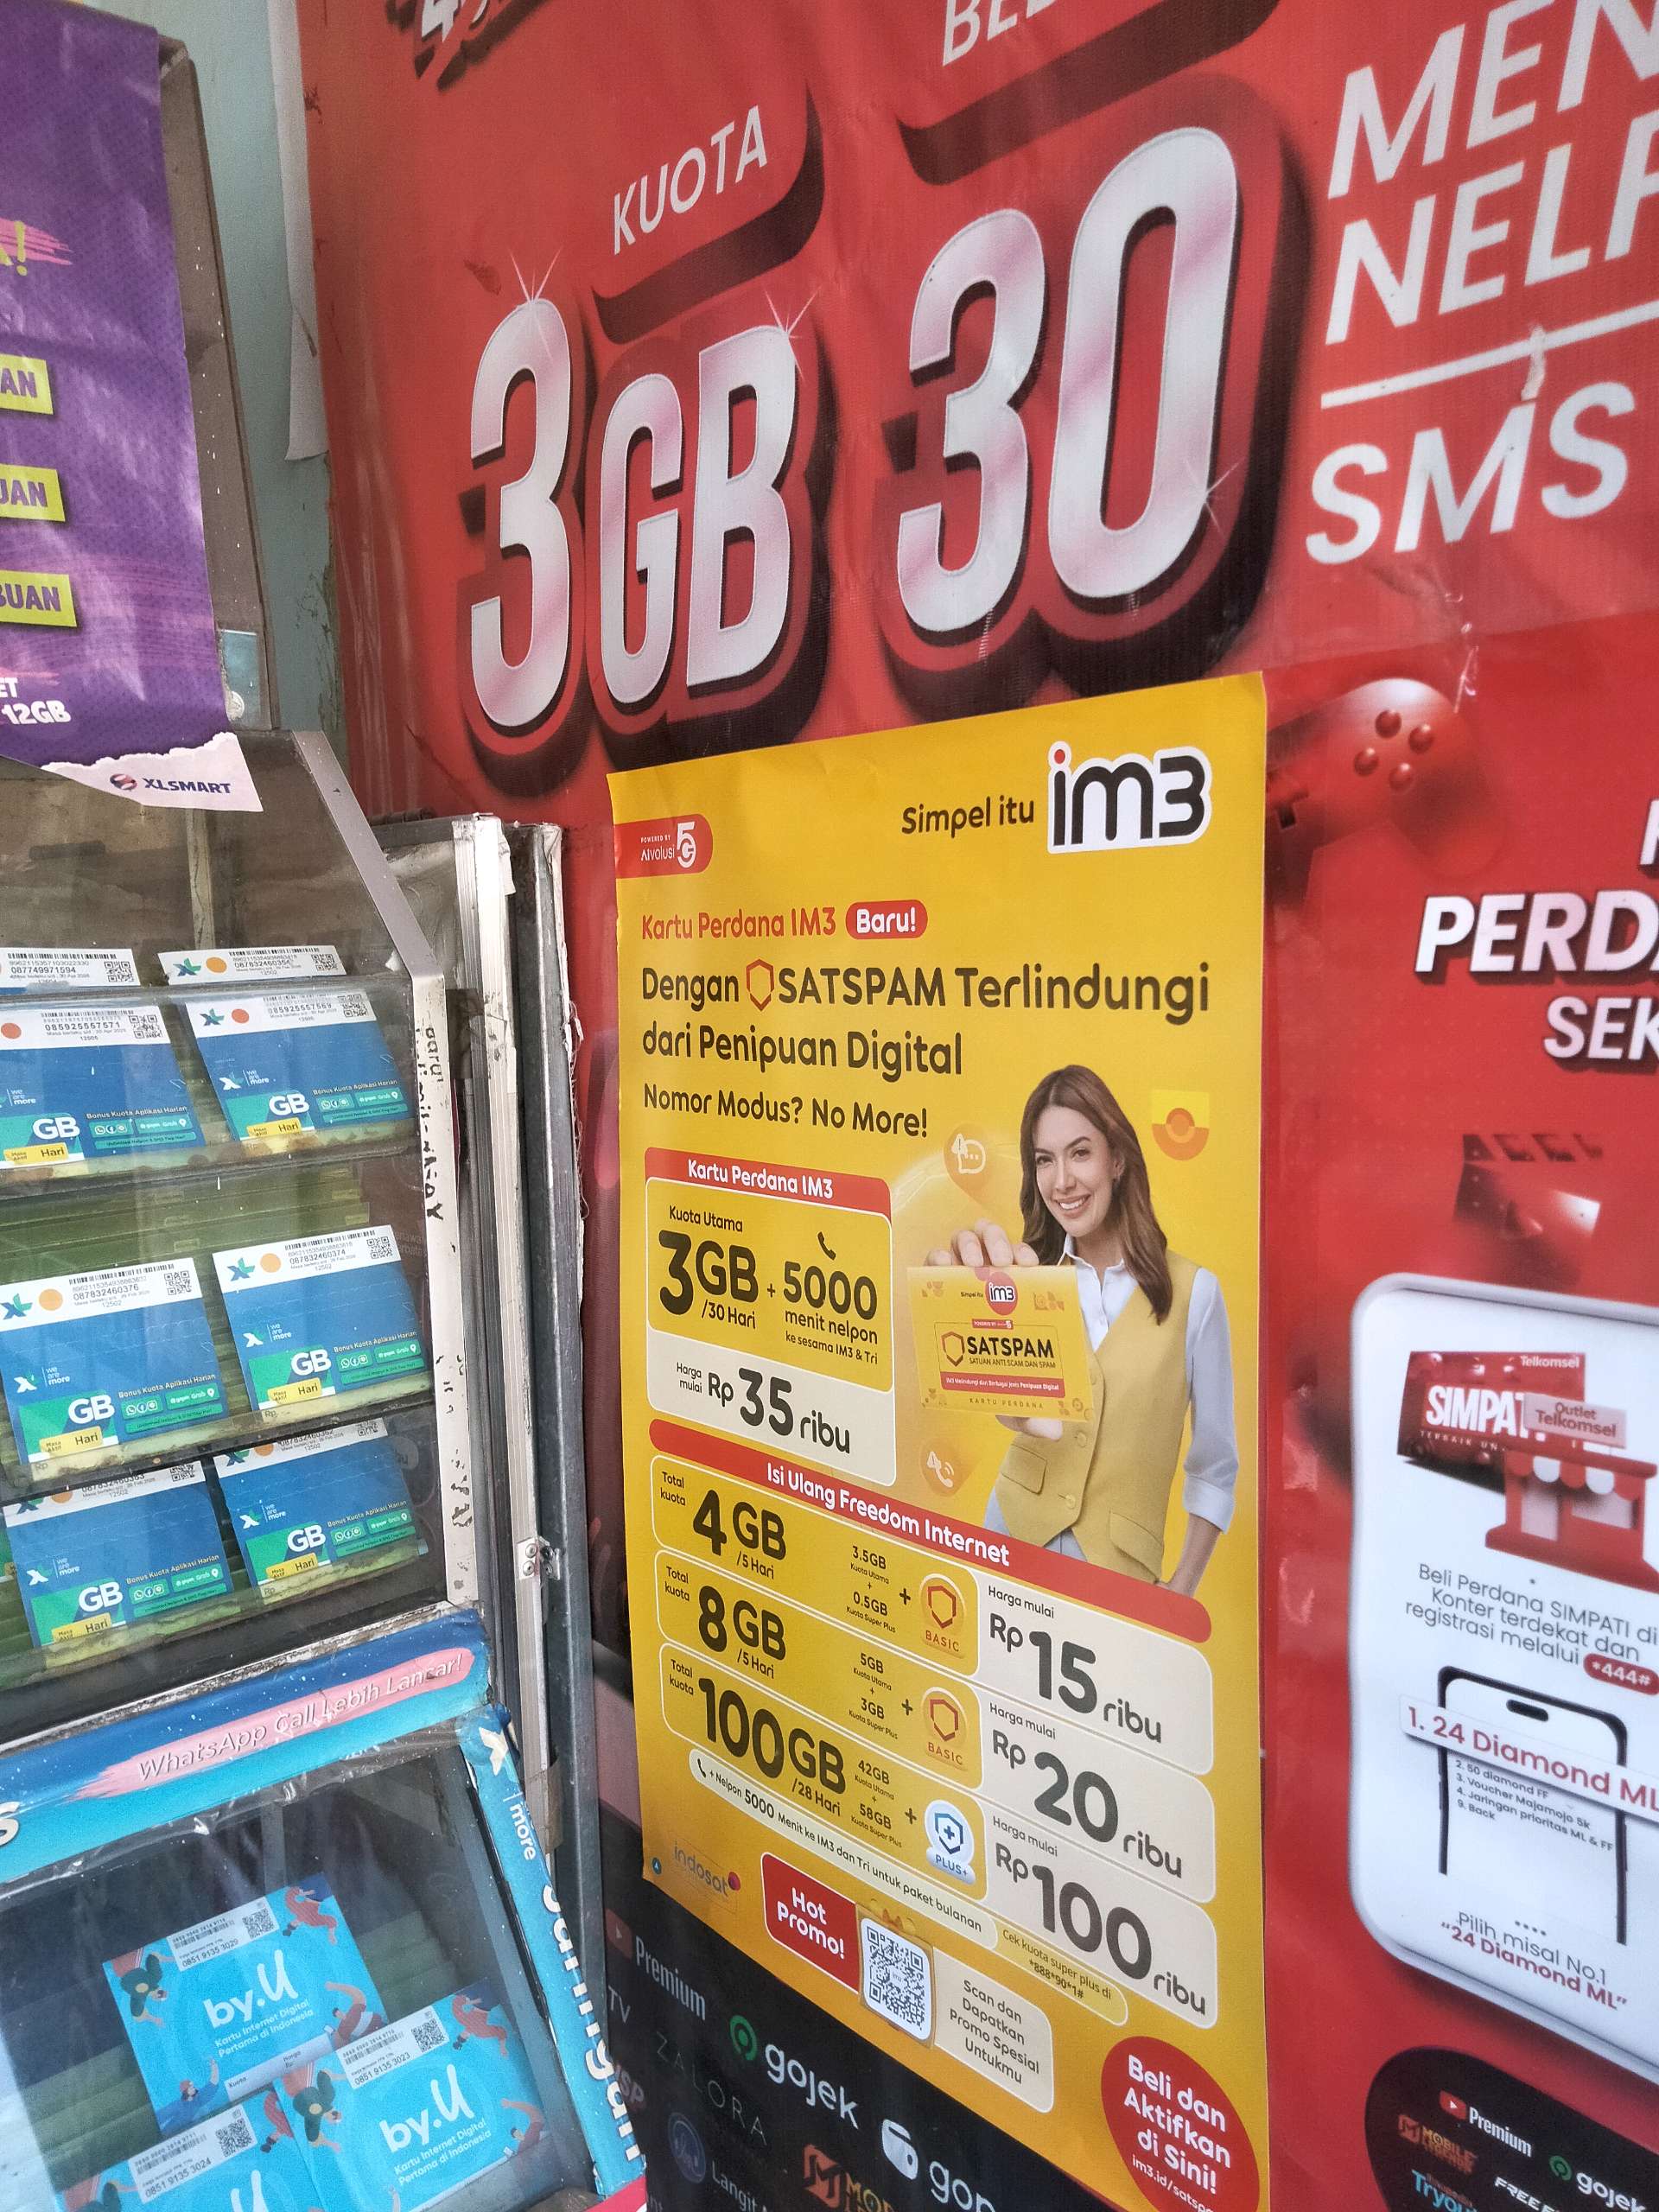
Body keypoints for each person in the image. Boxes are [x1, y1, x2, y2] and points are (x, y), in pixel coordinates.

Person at [926, 1065, 1236, 1594]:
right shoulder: (1026, 1279)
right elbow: (1007, 1405)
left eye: (1080, 1153)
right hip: (1009, 1537)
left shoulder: (1196, 1294)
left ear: (1117, 1159)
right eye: (1044, 1160)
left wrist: (1182, 1589)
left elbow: (1215, 1466)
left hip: (1119, 1572)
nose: (1062, 1181)